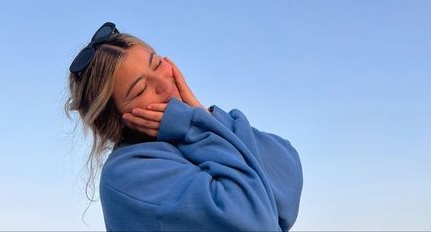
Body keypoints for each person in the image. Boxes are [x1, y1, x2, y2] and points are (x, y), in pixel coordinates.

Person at [65, 22, 303, 232]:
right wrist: (194, 127)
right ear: (116, 119)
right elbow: (256, 222)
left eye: (157, 64)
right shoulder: (127, 173)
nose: (163, 84)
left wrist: (203, 115)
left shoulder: (193, 130)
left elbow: (287, 172)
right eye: (140, 90)